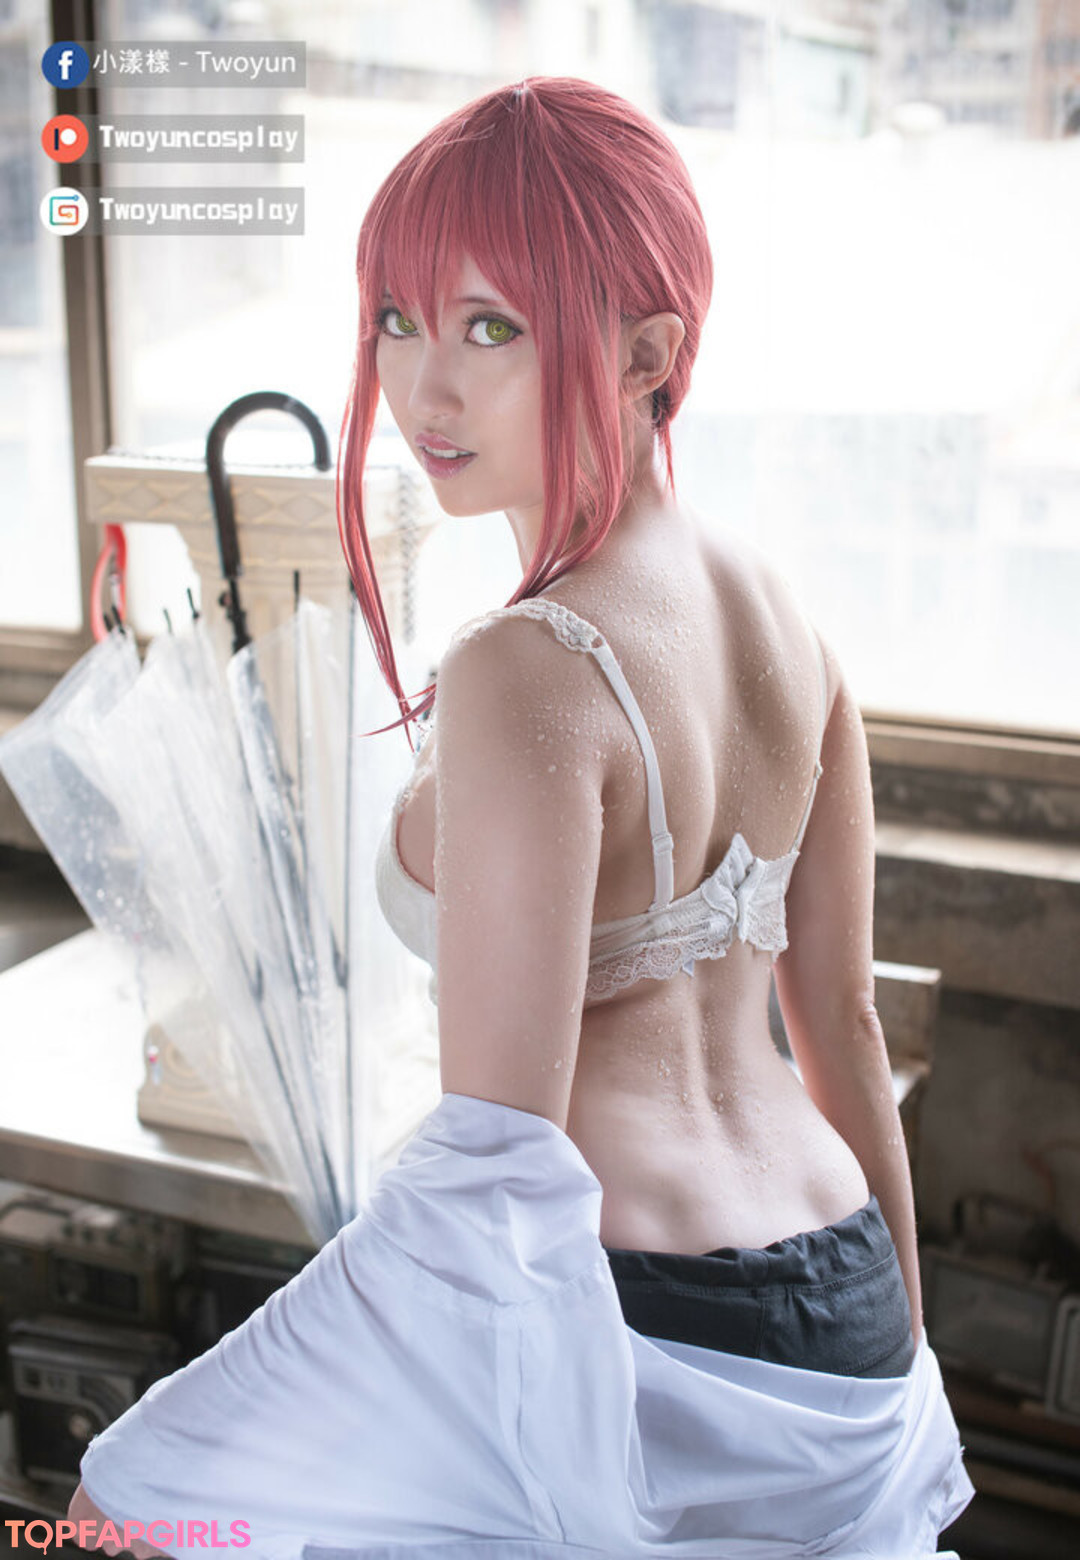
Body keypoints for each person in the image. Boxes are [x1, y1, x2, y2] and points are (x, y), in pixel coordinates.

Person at [70, 76, 974, 1558]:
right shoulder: (793, 628)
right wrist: (905, 1376)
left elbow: (497, 1158)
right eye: (397, 320)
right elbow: (845, 1030)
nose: (425, 390)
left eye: (492, 328)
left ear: (649, 353)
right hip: (847, 1301)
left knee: (116, 1511)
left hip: (638, 1315)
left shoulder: (524, 667)